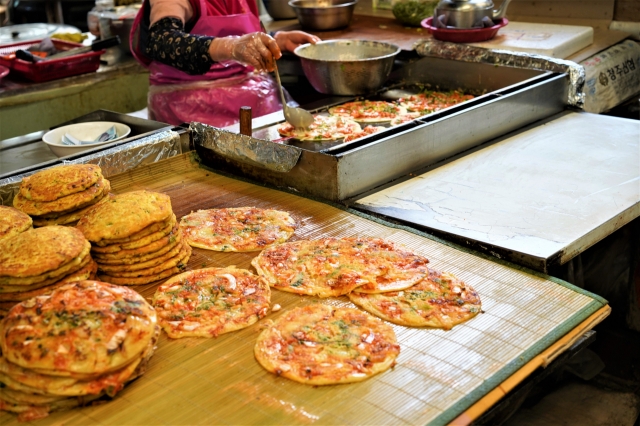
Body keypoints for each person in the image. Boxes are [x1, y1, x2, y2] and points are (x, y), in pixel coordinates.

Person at [130, 0, 320, 127]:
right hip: (192, 114)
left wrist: (275, 40)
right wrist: (232, 47)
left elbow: (240, 33)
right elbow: (161, 41)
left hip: (256, 106)